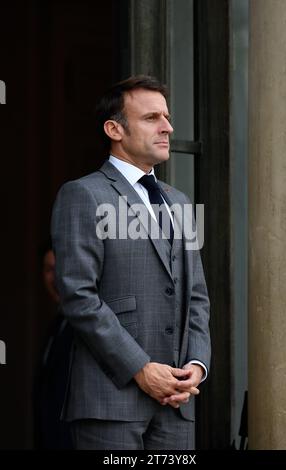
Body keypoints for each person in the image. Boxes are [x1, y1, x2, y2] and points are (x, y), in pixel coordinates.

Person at [51, 75, 211, 450]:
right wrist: (141, 369)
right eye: (152, 117)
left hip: (177, 406)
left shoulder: (181, 202)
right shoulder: (82, 194)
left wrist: (196, 366)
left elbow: (197, 296)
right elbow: (78, 296)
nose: (167, 127)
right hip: (110, 404)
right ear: (114, 129)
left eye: (167, 117)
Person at [33, 245, 73, 449]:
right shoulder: (56, 325)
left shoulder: (85, 328)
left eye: (59, 268)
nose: (55, 277)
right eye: (49, 269)